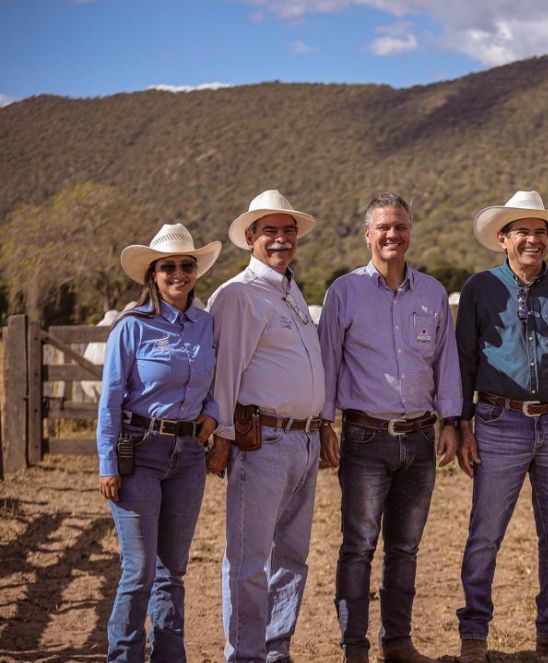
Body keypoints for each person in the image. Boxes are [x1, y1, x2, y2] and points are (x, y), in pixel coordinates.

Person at [453, 190, 548, 662]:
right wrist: (461, 425)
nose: (533, 241)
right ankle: (475, 636)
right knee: (485, 533)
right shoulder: (481, 289)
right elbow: (463, 361)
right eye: (523, 232)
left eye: (540, 233)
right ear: (503, 239)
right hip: (498, 422)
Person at [318, 193, 462, 663]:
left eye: (400, 226)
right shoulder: (344, 292)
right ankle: (354, 647)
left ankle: (397, 643)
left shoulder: (433, 294)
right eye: (383, 227)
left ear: (409, 233)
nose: (392, 235)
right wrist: (324, 425)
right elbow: (328, 364)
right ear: (367, 235)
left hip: (421, 437)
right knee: (358, 545)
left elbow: (447, 363)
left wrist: (452, 421)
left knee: (405, 546)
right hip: (364, 437)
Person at [205, 189, 326, 663]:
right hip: (264, 440)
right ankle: (246, 655)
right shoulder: (238, 295)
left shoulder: (290, 288)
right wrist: (222, 439)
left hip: (304, 439)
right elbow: (226, 372)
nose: (280, 239)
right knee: (250, 558)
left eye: (288, 230)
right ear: (250, 238)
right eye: (269, 231)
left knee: (291, 557)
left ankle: (276, 649)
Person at [97, 223, 222, 662]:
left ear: (195, 271)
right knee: (140, 570)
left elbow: (216, 382)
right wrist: (108, 462)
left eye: (185, 265)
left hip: (188, 455)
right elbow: (110, 398)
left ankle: (169, 657)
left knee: (174, 571)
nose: (177, 273)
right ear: (153, 274)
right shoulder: (131, 327)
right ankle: (124, 656)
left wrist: (214, 413)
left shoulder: (206, 325)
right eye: (167, 266)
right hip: (140, 452)